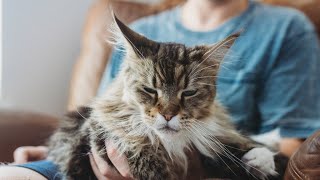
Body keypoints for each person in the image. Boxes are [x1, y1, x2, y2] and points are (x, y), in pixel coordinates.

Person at [1, 0, 320, 179]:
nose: (167, 109)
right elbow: (100, 115)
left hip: (210, 161)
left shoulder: (285, 28)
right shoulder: (141, 32)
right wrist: (56, 150)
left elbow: (292, 146)